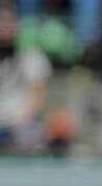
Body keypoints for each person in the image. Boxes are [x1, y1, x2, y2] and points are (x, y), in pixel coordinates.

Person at [0, 1, 50, 151]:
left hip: (19, 123)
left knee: (30, 133)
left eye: (9, 21)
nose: (6, 26)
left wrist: (17, 120)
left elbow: (37, 95)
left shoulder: (32, 57)